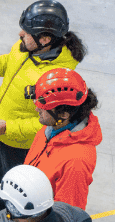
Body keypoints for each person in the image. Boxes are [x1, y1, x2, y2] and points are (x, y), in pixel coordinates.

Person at [0, 1, 86, 222]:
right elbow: (7, 65)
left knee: (14, 190)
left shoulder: (55, 78)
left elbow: (48, 123)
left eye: (27, 32)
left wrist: (9, 128)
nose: (21, 34)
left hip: (23, 145)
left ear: (45, 39)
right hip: (2, 131)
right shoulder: (24, 48)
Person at [24, 68, 101, 210]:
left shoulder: (76, 162)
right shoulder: (52, 129)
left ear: (64, 114)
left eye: (43, 107)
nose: (37, 110)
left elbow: (66, 215)